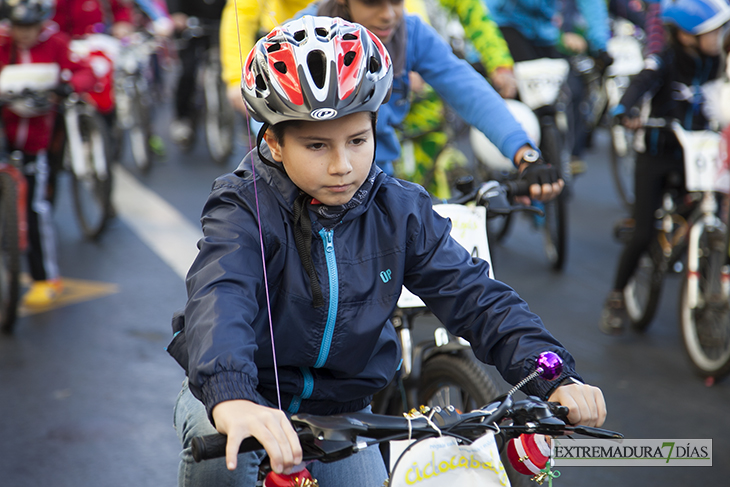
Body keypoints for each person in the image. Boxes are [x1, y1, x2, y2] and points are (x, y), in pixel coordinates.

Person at [169, 16, 607, 487]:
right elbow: (221, 294)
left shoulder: (400, 210)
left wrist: (554, 373)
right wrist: (232, 398)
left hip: (345, 411)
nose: (342, 166)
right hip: (243, 396)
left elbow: (477, 297)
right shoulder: (241, 205)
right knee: (225, 467)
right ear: (273, 142)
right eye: (317, 145)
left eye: (357, 141)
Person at [296, 0, 562, 201]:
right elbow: (271, 128)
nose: (388, 14)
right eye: (371, 1)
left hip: (375, 184)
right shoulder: (298, 37)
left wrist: (525, 154)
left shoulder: (410, 33)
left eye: (396, 1)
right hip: (306, 190)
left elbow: (468, 89)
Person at [599, 0, 730, 334]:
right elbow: (642, 84)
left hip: (697, 156)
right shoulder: (664, 60)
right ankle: (616, 296)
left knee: (706, 207)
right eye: (712, 31)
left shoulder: (717, 62)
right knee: (643, 232)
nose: (719, 36)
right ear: (686, 35)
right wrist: (625, 110)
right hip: (657, 154)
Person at [0, 0, 96, 306]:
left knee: (36, 210)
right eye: (19, 27)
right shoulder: (3, 45)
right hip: (4, 137)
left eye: (29, 27)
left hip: (37, 144)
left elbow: (84, 72)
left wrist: (69, 85)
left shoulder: (56, 42)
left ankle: (45, 277)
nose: (24, 35)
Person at [485, 0, 613, 175]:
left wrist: (600, 45)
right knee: (521, 97)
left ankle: (566, 155)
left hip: (545, 33)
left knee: (572, 88)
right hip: (506, 25)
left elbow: (591, 4)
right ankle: (512, 162)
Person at [167, 0, 227, 147]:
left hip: (218, 26)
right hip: (191, 27)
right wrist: (177, 15)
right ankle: (183, 117)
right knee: (188, 70)